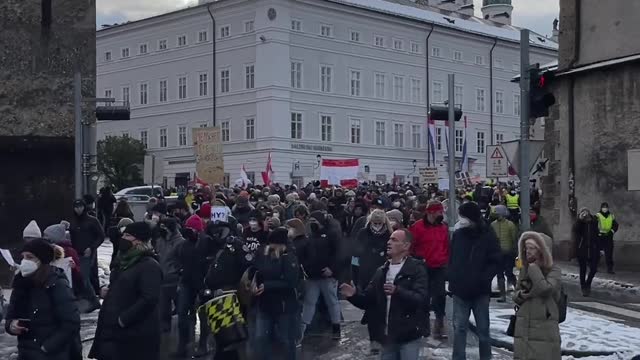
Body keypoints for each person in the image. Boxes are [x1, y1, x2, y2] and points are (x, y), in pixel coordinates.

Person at [340, 229, 429, 360]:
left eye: (394, 240)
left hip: (409, 335)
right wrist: (353, 295)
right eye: (389, 239)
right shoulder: (381, 271)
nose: (388, 242)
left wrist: (397, 291)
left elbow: (421, 299)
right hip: (388, 336)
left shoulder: (416, 269)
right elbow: (368, 301)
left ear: (406, 246)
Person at [89, 222, 162, 360]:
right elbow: (124, 286)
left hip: (133, 336)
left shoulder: (149, 265)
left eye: (127, 235)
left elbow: (149, 298)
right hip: (113, 333)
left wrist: (123, 320)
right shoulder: (125, 261)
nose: (123, 238)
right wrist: (109, 291)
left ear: (139, 240)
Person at [5, 239, 81, 360]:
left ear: (42, 260)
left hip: (53, 354)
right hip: (26, 352)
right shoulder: (21, 283)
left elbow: (71, 323)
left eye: (29, 257)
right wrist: (11, 325)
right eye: (23, 257)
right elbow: (11, 314)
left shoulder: (56, 283)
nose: (25, 261)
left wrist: (47, 347)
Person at [449, 202, 502, 360]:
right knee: (459, 329)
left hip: (480, 291)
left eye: (463, 216)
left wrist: (484, 277)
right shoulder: (458, 235)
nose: (461, 220)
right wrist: (452, 278)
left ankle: (486, 357)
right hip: (460, 290)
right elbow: (452, 259)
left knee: (483, 330)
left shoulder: (487, 234)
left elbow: (495, 260)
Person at [513, 231, 562, 360]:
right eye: (526, 248)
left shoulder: (554, 270)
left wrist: (534, 269)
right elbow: (516, 293)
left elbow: (545, 289)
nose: (528, 251)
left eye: (532, 248)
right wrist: (521, 295)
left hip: (543, 323)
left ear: (542, 251)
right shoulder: (525, 268)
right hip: (524, 323)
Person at [253, 228, 300, 360]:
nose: (270, 246)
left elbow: (291, 282)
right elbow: (258, 270)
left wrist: (267, 286)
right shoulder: (265, 254)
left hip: (284, 306)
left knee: (286, 340)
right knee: (261, 337)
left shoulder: (289, 256)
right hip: (265, 303)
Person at [298, 210, 342, 341]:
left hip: (328, 275)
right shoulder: (309, 235)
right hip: (312, 275)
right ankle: (303, 329)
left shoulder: (332, 234)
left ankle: (336, 327)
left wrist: (332, 269)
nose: (312, 224)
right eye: (310, 222)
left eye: (314, 222)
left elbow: (339, 254)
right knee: (309, 302)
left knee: (332, 301)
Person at [409, 200, 449, 339]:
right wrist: (416, 260)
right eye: (439, 211)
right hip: (422, 267)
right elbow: (410, 246)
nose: (441, 214)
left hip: (439, 267)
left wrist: (446, 261)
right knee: (423, 298)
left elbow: (447, 246)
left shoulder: (443, 227)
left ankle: (439, 323)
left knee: (440, 296)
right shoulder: (417, 227)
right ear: (431, 212)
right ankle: (423, 326)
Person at [173, 215, 206, 358]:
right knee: (182, 314)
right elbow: (177, 260)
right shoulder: (184, 245)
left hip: (202, 284)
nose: (189, 231)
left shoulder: (205, 243)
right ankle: (182, 345)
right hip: (186, 283)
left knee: (204, 317)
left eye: (192, 229)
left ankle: (203, 345)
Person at [70, 199, 104, 312]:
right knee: (81, 276)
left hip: (88, 253)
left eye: (80, 207)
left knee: (84, 276)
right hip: (76, 253)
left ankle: (91, 299)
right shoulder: (73, 221)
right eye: (76, 207)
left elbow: (101, 236)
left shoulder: (92, 221)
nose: (78, 209)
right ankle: (90, 299)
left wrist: (92, 247)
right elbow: (71, 235)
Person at [153, 217, 185, 333]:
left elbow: (183, 261)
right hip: (162, 278)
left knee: (181, 308)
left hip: (175, 278)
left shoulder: (180, 242)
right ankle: (164, 329)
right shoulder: (160, 240)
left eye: (164, 227)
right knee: (163, 308)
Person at [491, 205, 518, 303]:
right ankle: (503, 295)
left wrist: (515, 251)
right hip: (498, 253)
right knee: (499, 274)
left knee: (509, 273)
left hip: (508, 253)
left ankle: (517, 290)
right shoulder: (493, 225)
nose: (496, 215)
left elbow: (514, 238)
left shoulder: (510, 225)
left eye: (497, 213)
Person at [573, 208, 600, 296]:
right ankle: (583, 287)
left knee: (594, 269)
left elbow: (597, 234)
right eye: (583, 212)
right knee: (583, 269)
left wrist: (600, 248)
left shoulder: (593, 221)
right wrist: (580, 220)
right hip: (582, 249)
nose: (585, 214)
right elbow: (575, 230)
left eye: (586, 212)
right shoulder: (580, 223)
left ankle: (588, 283)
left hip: (593, 249)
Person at [596, 202, 619, 274]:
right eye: (603, 207)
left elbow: (615, 225)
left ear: (608, 208)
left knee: (609, 254)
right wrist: (597, 233)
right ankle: (594, 266)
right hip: (600, 237)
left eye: (606, 207)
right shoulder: (597, 216)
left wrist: (611, 232)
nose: (605, 208)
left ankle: (610, 269)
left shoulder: (611, 216)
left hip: (608, 237)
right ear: (601, 208)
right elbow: (593, 225)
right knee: (597, 253)